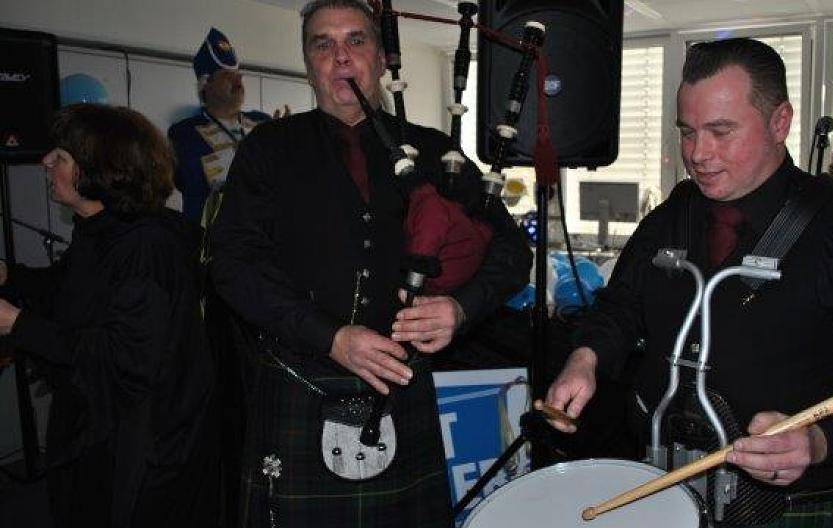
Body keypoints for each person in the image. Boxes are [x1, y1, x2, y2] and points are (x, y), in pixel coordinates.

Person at [546, 38, 833, 527]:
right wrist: (586, 358)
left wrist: (817, 441)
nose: (698, 154)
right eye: (688, 132)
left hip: (794, 508)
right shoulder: (671, 217)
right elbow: (620, 307)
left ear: (779, 122)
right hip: (663, 483)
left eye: (721, 131)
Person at [208, 1, 531, 526]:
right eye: (323, 44)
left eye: (355, 41)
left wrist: (460, 308)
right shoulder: (268, 150)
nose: (340, 57)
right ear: (308, 64)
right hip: (299, 380)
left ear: (380, 59)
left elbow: (512, 252)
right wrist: (329, 336)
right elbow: (232, 264)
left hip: (403, 386)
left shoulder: (437, 153)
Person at [0, 104, 217, 527]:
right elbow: (68, 288)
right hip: (110, 426)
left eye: (61, 156)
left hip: (145, 444)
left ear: (99, 170)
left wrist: (17, 324)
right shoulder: (105, 226)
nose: (46, 161)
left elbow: (126, 358)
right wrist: (11, 275)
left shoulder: (146, 247)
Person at [168, 27, 277, 225]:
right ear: (206, 84)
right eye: (227, 75)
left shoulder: (263, 122)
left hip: (263, 235)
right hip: (211, 239)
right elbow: (192, 183)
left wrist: (285, 140)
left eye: (238, 74)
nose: (239, 79)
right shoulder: (185, 133)